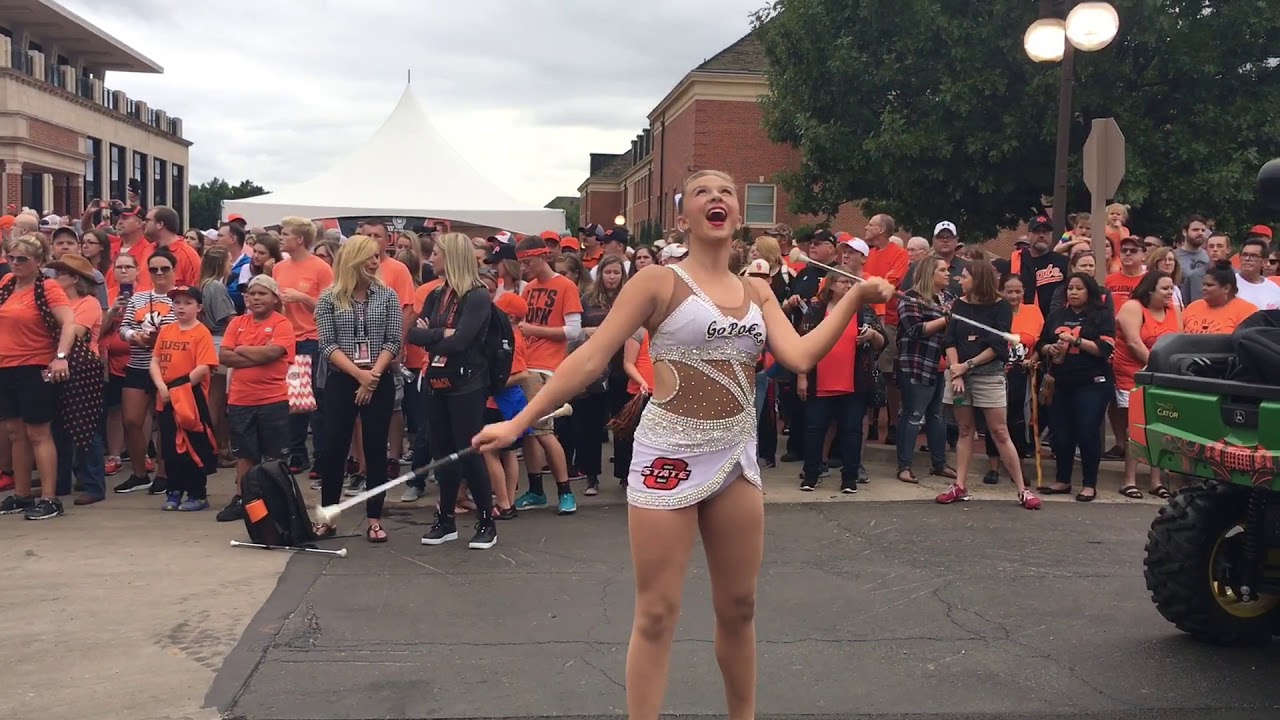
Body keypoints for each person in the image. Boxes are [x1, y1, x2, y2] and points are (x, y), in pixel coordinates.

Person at [472, 170, 894, 720]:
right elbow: (591, 356)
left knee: (740, 607)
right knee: (657, 612)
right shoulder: (658, 284)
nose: (717, 197)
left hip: (735, 457)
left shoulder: (758, 290)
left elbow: (800, 356)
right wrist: (520, 421)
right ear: (683, 217)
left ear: (737, 216)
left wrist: (856, 295)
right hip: (666, 454)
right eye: (703, 192)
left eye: (726, 193)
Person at [313, 236, 403, 543]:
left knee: (377, 449)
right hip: (342, 379)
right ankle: (329, 516)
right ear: (353, 259)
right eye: (369, 257)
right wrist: (358, 375)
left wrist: (372, 376)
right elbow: (327, 344)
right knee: (334, 449)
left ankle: (375, 518)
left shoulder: (388, 296)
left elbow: (394, 340)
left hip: (379, 377)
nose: (376, 262)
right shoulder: (329, 298)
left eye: (377, 257)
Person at [412, 233, 498, 550]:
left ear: (451, 257)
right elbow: (412, 334)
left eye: (435, 253)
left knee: (469, 450)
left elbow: (461, 342)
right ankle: (445, 518)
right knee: (442, 453)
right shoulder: (437, 295)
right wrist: (440, 334)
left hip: (467, 383)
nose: (430, 258)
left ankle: (487, 520)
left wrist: (431, 335)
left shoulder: (476, 296)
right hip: (436, 380)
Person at [938, 261, 1041, 510]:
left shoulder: (1000, 306)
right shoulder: (959, 304)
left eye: (964, 276)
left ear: (978, 278)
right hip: (959, 375)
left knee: (1000, 431)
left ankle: (1022, 489)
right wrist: (956, 372)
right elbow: (949, 339)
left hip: (988, 375)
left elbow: (997, 345)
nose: (958, 280)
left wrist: (968, 365)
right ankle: (960, 486)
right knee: (965, 429)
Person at [0, 235, 78, 520]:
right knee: (15, 433)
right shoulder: (6, 285)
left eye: (23, 259)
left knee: (38, 433)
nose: (16, 263)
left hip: (35, 366)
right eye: (12, 258)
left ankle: (49, 497)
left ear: (38, 261)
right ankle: (22, 494)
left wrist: (60, 357)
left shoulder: (48, 288)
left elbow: (69, 322)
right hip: (6, 366)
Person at [796, 274, 883, 493]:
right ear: (832, 285)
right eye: (843, 281)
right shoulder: (817, 310)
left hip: (854, 383)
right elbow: (802, 344)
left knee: (852, 431)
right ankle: (811, 475)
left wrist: (872, 334)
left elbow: (883, 342)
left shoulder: (863, 311)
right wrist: (802, 376)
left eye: (852, 282)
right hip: (821, 380)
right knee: (814, 430)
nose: (848, 285)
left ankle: (849, 478)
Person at [1037, 273, 1116, 501]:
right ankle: (1063, 480)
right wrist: (1048, 349)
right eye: (1070, 288)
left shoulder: (1102, 315)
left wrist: (1077, 341)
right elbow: (1042, 342)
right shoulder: (1057, 314)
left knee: (1086, 431)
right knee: (1060, 433)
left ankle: (1089, 484)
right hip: (1060, 381)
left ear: (1089, 291)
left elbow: (1105, 349)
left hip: (1092, 382)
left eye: (1078, 288)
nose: (1072, 292)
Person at [219, 275, 295, 507]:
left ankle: (277, 499)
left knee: (276, 455)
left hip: (273, 399)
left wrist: (241, 349)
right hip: (241, 400)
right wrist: (258, 353)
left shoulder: (283, 324)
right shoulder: (237, 323)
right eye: (252, 293)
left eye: (262, 293)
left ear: (274, 298)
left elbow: (275, 353)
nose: (255, 298)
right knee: (245, 454)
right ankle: (244, 499)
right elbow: (224, 356)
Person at [150, 285, 219, 511]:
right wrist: (162, 387)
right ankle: (173, 491)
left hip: (190, 398)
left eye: (187, 303)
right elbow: (155, 362)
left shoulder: (202, 333)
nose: (181, 307)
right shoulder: (167, 330)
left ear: (198, 307)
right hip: (166, 397)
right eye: (177, 302)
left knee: (192, 446)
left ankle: (197, 493)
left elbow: (203, 367)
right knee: (170, 446)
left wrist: (178, 388)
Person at [116, 247, 179, 494]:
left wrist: (161, 338)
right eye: (154, 269)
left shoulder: (180, 298)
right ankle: (140, 472)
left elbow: (190, 326)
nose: (160, 273)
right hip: (139, 363)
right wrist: (136, 335)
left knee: (165, 423)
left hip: (169, 367)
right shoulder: (138, 298)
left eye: (165, 268)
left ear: (175, 270)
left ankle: (163, 473)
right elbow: (124, 328)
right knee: (131, 420)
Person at [1114, 271, 1181, 499]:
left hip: (1163, 376)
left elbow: (1178, 342)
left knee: (1159, 426)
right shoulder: (1132, 307)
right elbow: (1134, 342)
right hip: (1133, 375)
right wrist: (1159, 366)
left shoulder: (1174, 310)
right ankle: (1129, 480)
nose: (1170, 292)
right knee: (1136, 426)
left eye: (1172, 288)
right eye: (1165, 288)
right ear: (1150, 289)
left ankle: (1156, 481)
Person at [1182, 261, 1257, 334]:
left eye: (1209, 285)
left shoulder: (1247, 311)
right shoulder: (1193, 307)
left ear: (1226, 288)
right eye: (1203, 284)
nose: (1204, 288)